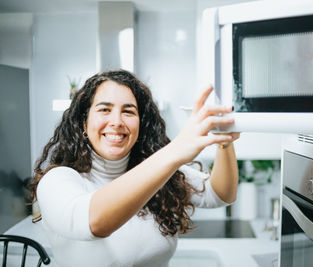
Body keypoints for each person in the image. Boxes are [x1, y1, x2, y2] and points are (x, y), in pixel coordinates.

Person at [30, 69, 240, 267]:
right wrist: (175, 150)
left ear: (141, 124)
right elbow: (94, 223)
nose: (116, 121)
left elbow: (221, 194)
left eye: (128, 112)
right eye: (104, 109)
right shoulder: (57, 180)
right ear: (84, 123)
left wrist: (225, 141)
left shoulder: (156, 170)